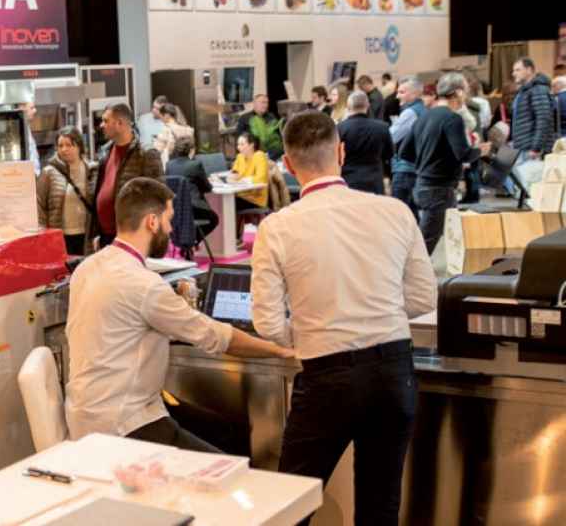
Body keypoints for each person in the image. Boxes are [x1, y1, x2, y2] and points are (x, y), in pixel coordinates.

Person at [251, 110, 438, 526]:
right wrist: (380, 315)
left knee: (291, 505)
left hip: (326, 376)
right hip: (393, 371)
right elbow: (424, 296)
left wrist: (311, 333)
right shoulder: (394, 211)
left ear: (288, 163)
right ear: (341, 152)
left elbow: (268, 323)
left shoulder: (276, 228)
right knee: (380, 506)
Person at [65, 177, 292, 450]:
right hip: (126, 424)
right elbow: (216, 337)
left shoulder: (86, 269)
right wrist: (280, 350)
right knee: (227, 451)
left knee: (225, 430)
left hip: (84, 417)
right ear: (152, 222)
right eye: (169, 219)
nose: (171, 229)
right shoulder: (145, 285)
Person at [400, 73, 493, 254]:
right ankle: (406, 271)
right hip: (439, 189)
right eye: (465, 91)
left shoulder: (424, 116)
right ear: (458, 92)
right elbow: (464, 154)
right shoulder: (452, 118)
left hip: (423, 184)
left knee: (440, 237)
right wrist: (481, 151)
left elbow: (404, 151)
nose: (466, 96)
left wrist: (428, 160)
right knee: (425, 244)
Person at [89, 103, 164, 248]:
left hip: (132, 236)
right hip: (105, 236)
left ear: (120, 123)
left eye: (105, 121)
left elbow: (158, 199)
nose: (101, 125)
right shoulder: (105, 152)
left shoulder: (146, 153)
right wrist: (96, 232)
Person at [37, 128, 97, 255]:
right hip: (60, 236)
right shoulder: (49, 172)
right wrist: (44, 235)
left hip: (87, 236)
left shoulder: (92, 170)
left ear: (79, 146)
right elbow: (40, 206)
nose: (64, 149)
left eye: (69, 145)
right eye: (60, 146)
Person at [338, 91, 394, 194]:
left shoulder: (340, 128)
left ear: (348, 106)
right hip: (374, 180)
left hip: (349, 180)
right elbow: (389, 154)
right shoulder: (382, 127)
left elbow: (336, 156)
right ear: (367, 105)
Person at [165, 136, 220, 237]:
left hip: (175, 209)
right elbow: (207, 188)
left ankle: (189, 241)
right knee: (214, 219)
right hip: (193, 208)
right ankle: (194, 240)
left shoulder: (169, 165)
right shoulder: (195, 165)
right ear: (191, 150)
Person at [389, 77, 426, 217]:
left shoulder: (410, 113)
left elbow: (391, 137)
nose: (397, 96)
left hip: (405, 168)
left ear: (414, 94)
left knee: (399, 213)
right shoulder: (423, 110)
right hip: (415, 167)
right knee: (411, 212)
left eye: (402, 92)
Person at [510, 57, 558, 160]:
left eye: (518, 70)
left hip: (532, 150)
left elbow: (543, 120)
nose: (513, 74)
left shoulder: (538, 90)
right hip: (525, 147)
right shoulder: (525, 91)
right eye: (513, 70)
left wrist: (536, 148)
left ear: (529, 70)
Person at [228, 131, 270, 213]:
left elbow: (261, 178)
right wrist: (232, 177)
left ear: (251, 145)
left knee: (229, 203)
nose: (239, 147)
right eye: (238, 144)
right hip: (241, 196)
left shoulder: (259, 156)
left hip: (255, 200)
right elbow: (234, 173)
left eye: (242, 144)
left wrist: (242, 180)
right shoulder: (239, 157)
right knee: (224, 201)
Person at [234, 93, 285, 160]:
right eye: (262, 102)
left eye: (267, 103)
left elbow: (279, 135)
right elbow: (239, 138)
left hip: (272, 152)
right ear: (254, 104)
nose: (265, 105)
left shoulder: (271, 117)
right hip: (254, 153)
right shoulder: (244, 118)